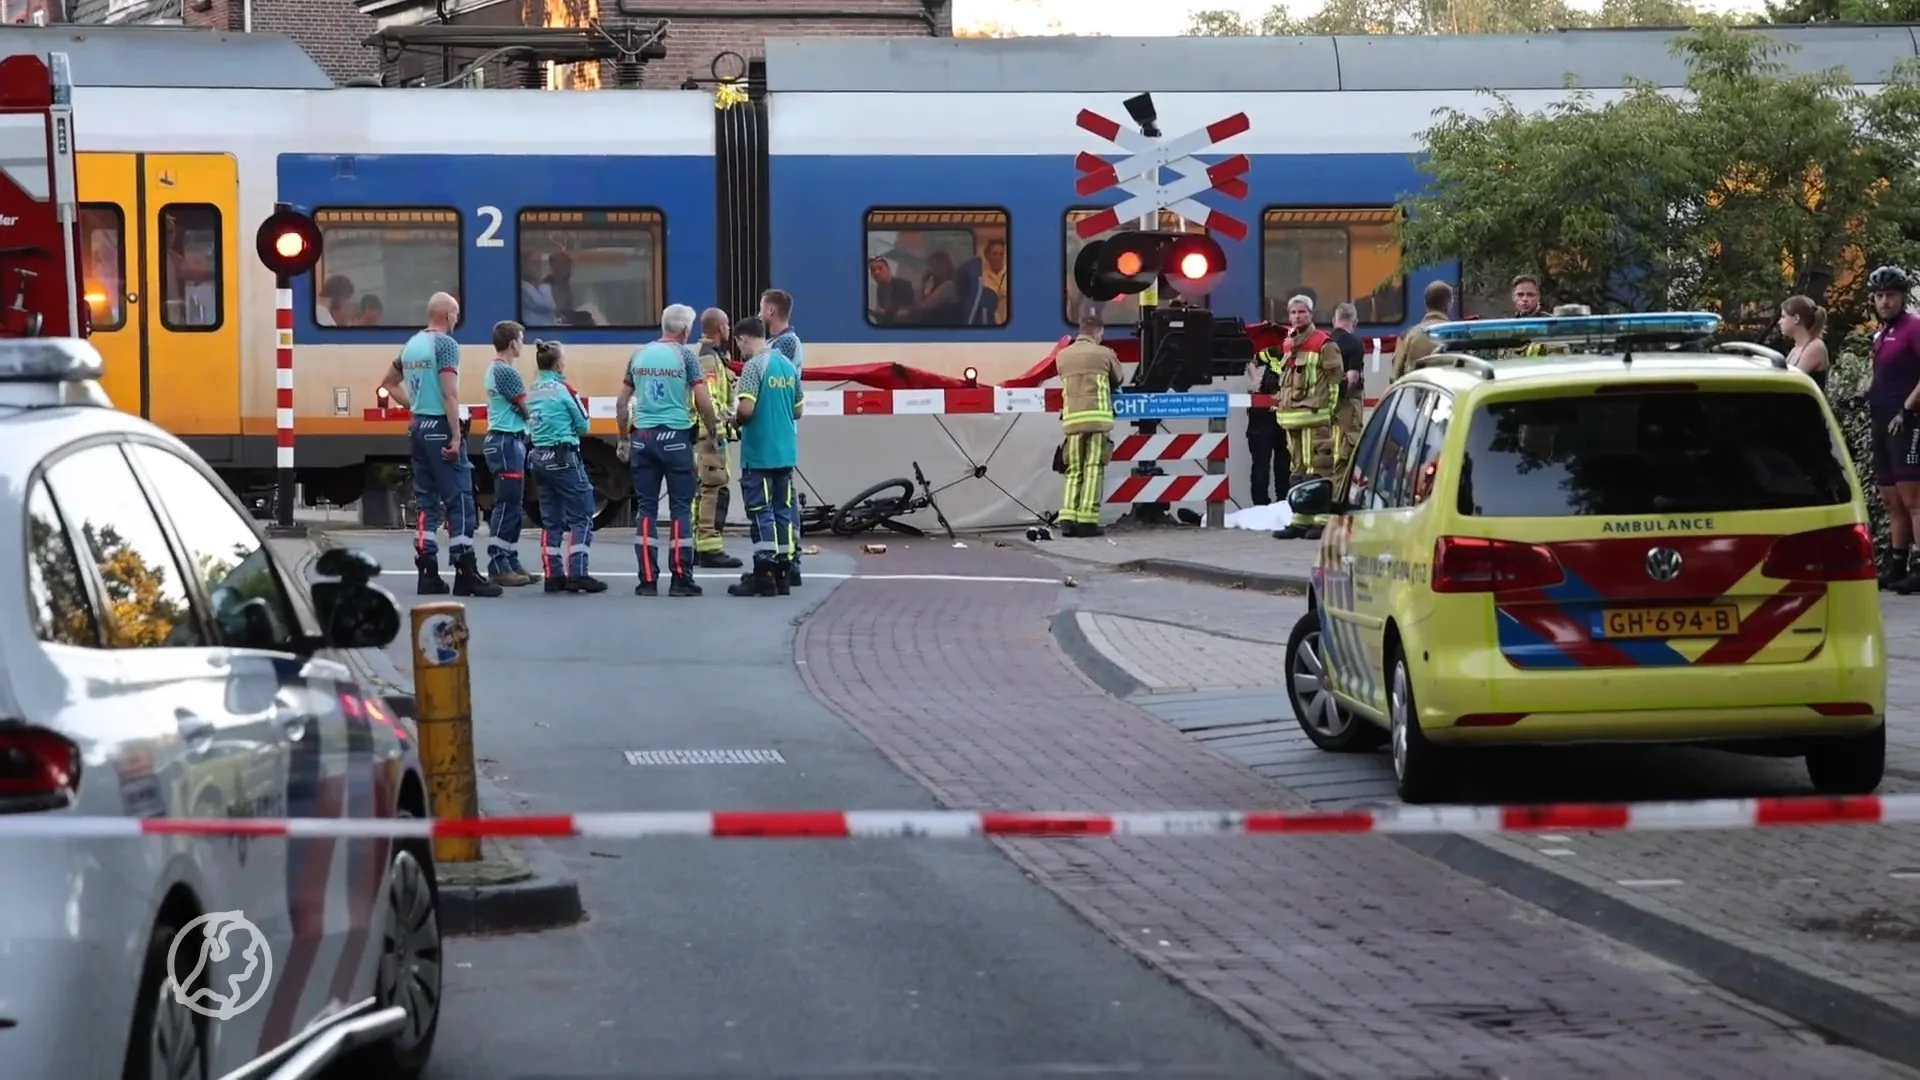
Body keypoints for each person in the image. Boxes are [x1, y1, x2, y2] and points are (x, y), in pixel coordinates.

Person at [378, 292, 501, 597]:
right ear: (448, 314)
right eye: (456, 315)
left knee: (426, 502)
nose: (457, 320)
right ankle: (465, 571)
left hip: (419, 427)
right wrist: (456, 435)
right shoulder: (445, 345)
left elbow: (389, 384)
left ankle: (427, 572)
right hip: (438, 427)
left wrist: (414, 407)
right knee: (459, 499)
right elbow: (450, 394)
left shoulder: (411, 346)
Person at [617, 303, 722, 597]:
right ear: (686, 330)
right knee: (680, 510)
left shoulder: (638, 355)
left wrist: (624, 438)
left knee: (646, 510)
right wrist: (712, 432)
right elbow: (702, 400)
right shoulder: (686, 356)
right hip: (675, 439)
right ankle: (680, 579)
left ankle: (647, 580)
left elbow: (621, 403)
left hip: (643, 439)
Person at [726, 317, 804, 596]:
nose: (740, 349)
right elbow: (797, 410)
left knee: (761, 512)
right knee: (784, 510)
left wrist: (734, 420)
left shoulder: (753, 367)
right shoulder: (786, 365)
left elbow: (746, 409)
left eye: (738, 343)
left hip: (759, 452)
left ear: (744, 338)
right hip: (785, 452)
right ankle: (785, 572)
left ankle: (764, 572)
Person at [525, 341, 604, 593]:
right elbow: (583, 425)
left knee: (551, 520)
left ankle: (553, 574)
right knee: (581, 515)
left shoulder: (533, 391)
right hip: (563, 457)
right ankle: (578, 573)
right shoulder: (563, 389)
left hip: (538, 458)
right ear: (558, 363)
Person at [1863, 267, 1920, 592]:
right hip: (1880, 420)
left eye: (1891, 295)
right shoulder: (1881, 333)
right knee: (1890, 498)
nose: (1885, 301)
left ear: (1902, 296)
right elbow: (1882, 375)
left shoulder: (1913, 328)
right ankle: (1897, 562)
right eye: (1880, 296)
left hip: (1907, 421)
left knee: (1914, 498)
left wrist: (1908, 409)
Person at [1271, 295, 1346, 541]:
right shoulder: (1288, 344)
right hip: (1292, 419)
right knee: (1297, 471)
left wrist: (1330, 413)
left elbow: (1336, 383)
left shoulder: (1324, 343)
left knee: (1320, 469)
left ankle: (1321, 520)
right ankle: (1300, 520)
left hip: (1316, 419)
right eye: (1293, 313)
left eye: (1302, 312)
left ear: (1310, 315)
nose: (1297, 316)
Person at [1054, 307, 1125, 537]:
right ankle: (1086, 520)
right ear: (1098, 333)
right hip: (1097, 419)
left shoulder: (1063, 355)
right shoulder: (1104, 353)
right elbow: (1118, 378)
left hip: (1072, 421)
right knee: (1093, 468)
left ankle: (1067, 518)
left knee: (1074, 470)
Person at [482, 320, 536, 586]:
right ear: (513, 343)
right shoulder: (507, 373)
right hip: (507, 442)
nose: (523, 344)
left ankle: (510, 559)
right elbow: (526, 409)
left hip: (505, 442)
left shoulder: (495, 369)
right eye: (522, 339)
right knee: (507, 504)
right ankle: (498, 563)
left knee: (514, 504)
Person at [761, 288, 806, 587]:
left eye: (762, 308)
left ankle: (792, 561)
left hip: (780, 431)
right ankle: (788, 561)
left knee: (783, 500)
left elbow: (770, 377)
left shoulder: (785, 344)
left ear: (772, 311)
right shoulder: (778, 342)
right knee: (781, 499)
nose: (759, 313)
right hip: (778, 430)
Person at [694, 308, 743, 569]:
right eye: (727, 325)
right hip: (710, 438)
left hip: (706, 436)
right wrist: (715, 430)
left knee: (704, 491)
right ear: (719, 327)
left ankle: (700, 544)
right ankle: (710, 547)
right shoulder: (708, 360)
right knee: (713, 489)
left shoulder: (710, 356)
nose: (729, 330)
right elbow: (709, 398)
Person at [1327, 302, 1366, 474]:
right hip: (1347, 405)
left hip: (1324, 404)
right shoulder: (1355, 343)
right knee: (1346, 451)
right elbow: (1353, 378)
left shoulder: (1325, 342)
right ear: (1355, 322)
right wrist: (1342, 398)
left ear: (1334, 320)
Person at [1390, 281, 1454, 381]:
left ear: (1425, 304)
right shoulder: (1458, 335)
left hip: (1416, 392)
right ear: (1449, 305)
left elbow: (1396, 376)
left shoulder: (1407, 336)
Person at [1779, 294, 1830, 392]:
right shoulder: (1797, 348)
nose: (1780, 321)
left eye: (1783, 317)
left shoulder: (1815, 346)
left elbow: (1791, 383)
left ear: (1796, 319)